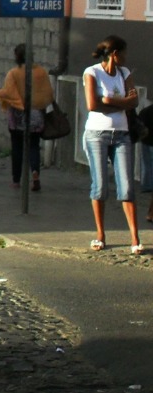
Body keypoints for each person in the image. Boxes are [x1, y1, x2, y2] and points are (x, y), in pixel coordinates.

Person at [83, 35, 143, 253]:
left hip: (122, 134)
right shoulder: (92, 72)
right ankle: (100, 234)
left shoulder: (124, 73)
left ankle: (135, 238)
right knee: (100, 186)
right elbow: (92, 105)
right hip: (96, 134)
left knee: (126, 186)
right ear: (115, 54)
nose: (126, 57)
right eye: (124, 53)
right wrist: (120, 103)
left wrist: (108, 101)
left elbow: (134, 101)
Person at [0, 43, 54, 191]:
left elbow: (9, 93)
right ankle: (35, 173)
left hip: (17, 117)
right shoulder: (41, 72)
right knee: (34, 146)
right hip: (36, 115)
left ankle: (16, 180)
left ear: (17, 57)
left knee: (17, 148)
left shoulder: (13, 73)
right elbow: (48, 94)